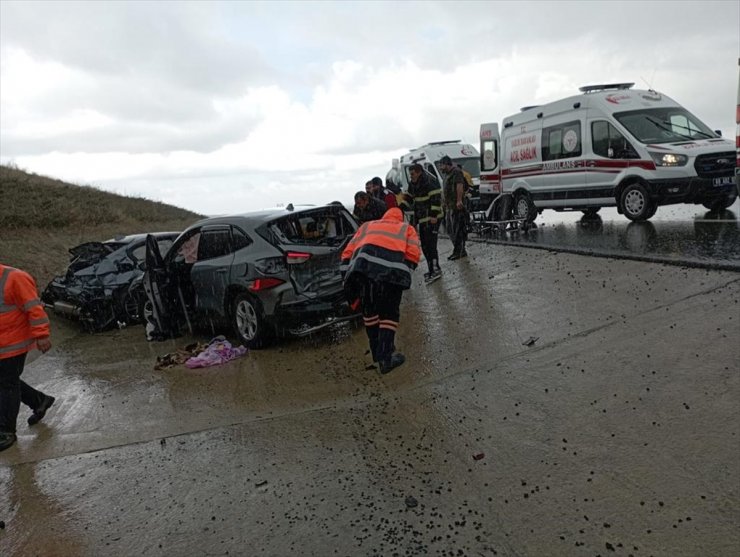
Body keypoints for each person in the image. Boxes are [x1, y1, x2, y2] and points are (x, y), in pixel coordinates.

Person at [341, 208, 421, 374]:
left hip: (363, 273)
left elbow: (347, 253)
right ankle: (386, 359)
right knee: (389, 315)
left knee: (370, 313)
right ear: (400, 218)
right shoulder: (406, 228)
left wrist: (348, 278)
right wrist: (403, 273)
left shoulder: (367, 226)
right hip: (389, 276)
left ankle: (377, 354)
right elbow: (413, 255)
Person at [0, 264, 56, 452]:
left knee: (7, 384)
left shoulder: (14, 278)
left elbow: (34, 308)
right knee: (7, 380)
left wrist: (42, 335)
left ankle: (6, 431)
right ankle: (39, 400)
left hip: (14, 342)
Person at [408, 163, 443, 283]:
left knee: (431, 244)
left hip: (432, 217)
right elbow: (411, 199)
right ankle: (431, 269)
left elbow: (436, 199)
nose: (411, 176)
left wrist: (433, 216)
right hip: (422, 218)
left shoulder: (429, 181)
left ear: (419, 172)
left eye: (412, 174)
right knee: (424, 246)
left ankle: (436, 269)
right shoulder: (413, 184)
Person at [439, 155, 468, 260]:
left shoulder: (456, 172)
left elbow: (459, 186)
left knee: (457, 229)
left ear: (447, 164)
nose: (440, 168)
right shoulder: (447, 175)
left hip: (456, 206)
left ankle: (460, 251)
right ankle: (457, 250)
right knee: (450, 229)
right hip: (449, 206)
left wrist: (459, 200)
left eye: (441, 165)